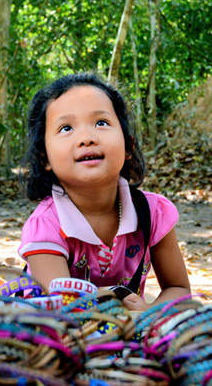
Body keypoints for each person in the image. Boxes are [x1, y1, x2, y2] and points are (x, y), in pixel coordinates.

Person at [18, 72, 190, 311]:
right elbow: (61, 309)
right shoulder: (45, 227)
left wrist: (149, 314)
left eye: (101, 123)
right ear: (44, 157)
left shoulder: (153, 213)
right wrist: (112, 306)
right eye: (66, 128)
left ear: (128, 145)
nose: (86, 138)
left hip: (131, 330)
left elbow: (179, 289)